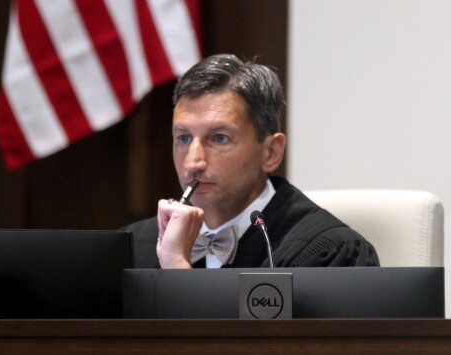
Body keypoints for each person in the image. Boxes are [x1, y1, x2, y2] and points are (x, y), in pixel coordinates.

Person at [125, 54, 379, 269]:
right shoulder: (130, 248)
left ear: (271, 152)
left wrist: (176, 268)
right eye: (183, 138)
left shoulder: (329, 253)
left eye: (219, 138)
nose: (194, 162)